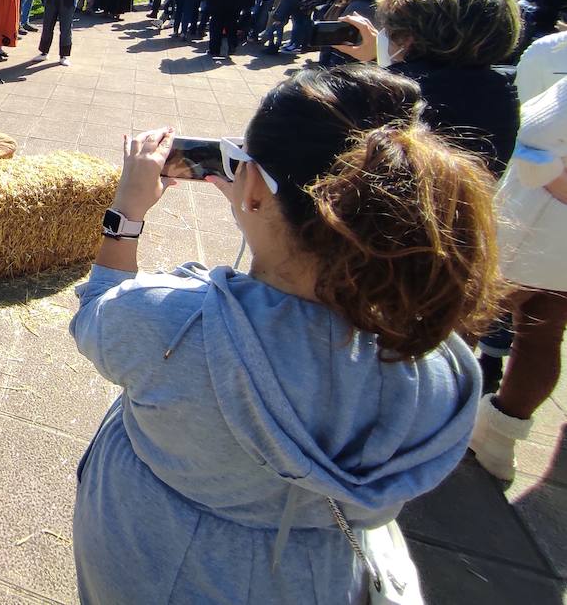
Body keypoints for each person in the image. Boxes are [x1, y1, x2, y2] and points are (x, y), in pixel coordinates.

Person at [72, 65, 501, 605]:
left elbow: (96, 311)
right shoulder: (441, 369)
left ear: (252, 187)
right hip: (318, 578)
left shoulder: (172, 322)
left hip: (150, 562)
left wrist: (126, 211)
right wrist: (257, 188)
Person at [469, 76, 567, 480]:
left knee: (461, 321)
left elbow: (536, 137)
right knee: (543, 338)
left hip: (533, 230)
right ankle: (499, 441)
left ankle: (426, 421)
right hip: (553, 247)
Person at [338, 0, 522, 176]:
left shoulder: (381, 98)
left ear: (407, 36)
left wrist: (377, 72)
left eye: (387, 26)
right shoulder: (501, 92)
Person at [318, 0, 388, 67]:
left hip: (350, 60)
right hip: (373, 60)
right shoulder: (385, 5)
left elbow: (342, 38)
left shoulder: (357, 7)